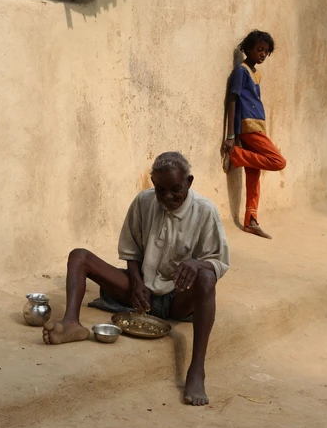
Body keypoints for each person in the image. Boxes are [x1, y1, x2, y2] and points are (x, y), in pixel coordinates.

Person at [43, 152, 229, 406]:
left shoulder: (205, 211)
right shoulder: (144, 201)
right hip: (141, 292)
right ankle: (72, 323)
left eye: (176, 189)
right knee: (79, 257)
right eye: (160, 190)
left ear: (189, 181)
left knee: (207, 277)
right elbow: (131, 251)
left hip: (179, 297)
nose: (167, 197)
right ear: (152, 182)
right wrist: (137, 282)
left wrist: (197, 264)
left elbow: (219, 261)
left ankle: (196, 369)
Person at [221, 30, 286, 239]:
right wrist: (231, 135)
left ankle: (250, 219)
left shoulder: (256, 73)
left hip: (257, 125)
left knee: (254, 174)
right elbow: (232, 99)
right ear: (247, 48)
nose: (263, 54)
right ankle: (237, 156)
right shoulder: (241, 71)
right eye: (259, 49)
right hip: (249, 127)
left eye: (266, 51)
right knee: (278, 161)